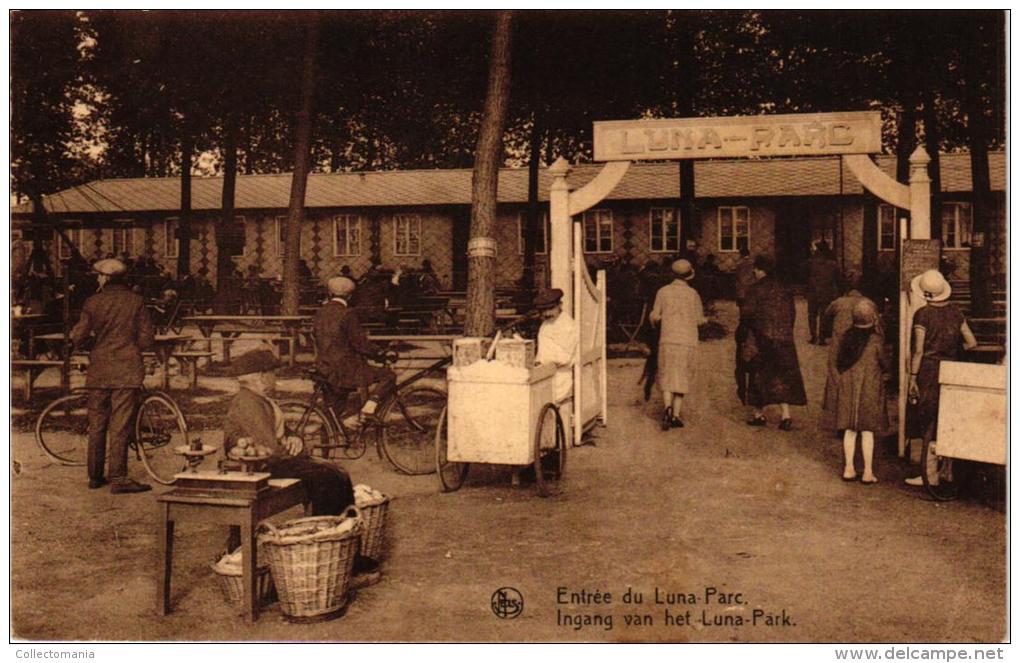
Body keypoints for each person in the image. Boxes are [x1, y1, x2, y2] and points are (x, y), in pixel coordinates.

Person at [69, 258, 155, 493]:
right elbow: (147, 339)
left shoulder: (92, 302)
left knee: (97, 423)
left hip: (99, 370)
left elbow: (78, 336)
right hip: (126, 370)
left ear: (105, 278)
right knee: (120, 424)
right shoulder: (136, 302)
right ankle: (118, 477)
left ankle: (95, 476)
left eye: (98, 275)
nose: (97, 278)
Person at [904, 270, 978, 486]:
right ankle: (948, 471)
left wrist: (912, 378)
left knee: (927, 420)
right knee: (947, 418)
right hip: (951, 368)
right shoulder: (956, 312)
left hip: (928, 371)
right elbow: (971, 342)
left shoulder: (922, 315)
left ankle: (930, 475)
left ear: (926, 294)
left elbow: (918, 351)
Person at [313, 276, 397, 426]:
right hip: (346, 370)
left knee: (331, 417)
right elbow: (361, 344)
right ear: (350, 296)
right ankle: (369, 410)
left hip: (325, 368)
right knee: (388, 376)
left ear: (329, 293)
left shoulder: (320, 313)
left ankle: (327, 446)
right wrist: (382, 354)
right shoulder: (348, 314)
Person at [742, 255, 807, 429]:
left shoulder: (755, 289)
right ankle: (785, 416)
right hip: (783, 337)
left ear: (761, 269)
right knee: (783, 374)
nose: (754, 271)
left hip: (761, 337)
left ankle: (758, 414)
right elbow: (792, 314)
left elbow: (747, 314)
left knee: (758, 374)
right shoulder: (784, 289)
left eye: (755, 268)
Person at [831, 300, 888, 484]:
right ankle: (868, 472)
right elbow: (884, 363)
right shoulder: (875, 340)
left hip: (848, 386)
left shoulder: (845, 337)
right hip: (869, 387)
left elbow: (837, 361)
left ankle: (849, 468)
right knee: (867, 430)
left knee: (849, 429)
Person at [650, 259, 705, 430]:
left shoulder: (662, 292)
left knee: (667, 373)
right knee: (683, 375)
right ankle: (676, 414)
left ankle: (666, 407)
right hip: (687, 341)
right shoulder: (693, 294)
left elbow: (655, 316)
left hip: (667, 339)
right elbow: (699, 320)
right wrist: (705, 320)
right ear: (689, 276)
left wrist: (660, 320)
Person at [821, 272, 874, 423]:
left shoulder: (838, 303)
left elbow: (826, 318)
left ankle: (840, 418)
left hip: (839, 348)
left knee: (836, 380)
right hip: (862, 348)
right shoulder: (869, 304)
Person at [534, 288, 578, 404]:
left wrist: (542, 362)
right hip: (546, 373)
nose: (547, 313)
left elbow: (564, 358)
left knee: (550, 402)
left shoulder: (567, 326)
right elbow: (543, 349)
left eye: (551, 309)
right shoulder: (547, 323)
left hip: (560, 376)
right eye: (544, 310)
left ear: (560, 305)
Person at [806, 241, 841, 345]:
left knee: (812, 315)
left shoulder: (810, 262)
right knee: (824, 316)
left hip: (812, 293)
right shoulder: (833, 264)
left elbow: (802, 272)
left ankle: (813, 337)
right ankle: (822, 338)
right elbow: (838, 279)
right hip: (826, 293)